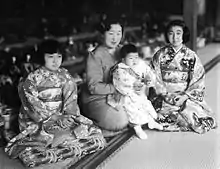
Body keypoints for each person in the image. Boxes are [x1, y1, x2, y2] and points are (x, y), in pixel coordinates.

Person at [5, 39, 105, 168]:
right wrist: (53, 118)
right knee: (40, 146)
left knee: (96, 136)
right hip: (39, 122)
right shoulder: (31, 79)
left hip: (62, 118)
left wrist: (68, 118)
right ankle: (60, 143)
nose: (55, 61)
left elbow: (71, 100)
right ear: (42, 57)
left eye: (59, 56)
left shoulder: (65, 75)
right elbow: (32, 107)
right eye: (50, 57)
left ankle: (59, 144)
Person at [150, 20, 217, 134]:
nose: (175, 37)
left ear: (183, 35)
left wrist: (184, 97)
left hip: (185, 97)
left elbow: (198, 80)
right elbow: (153, 77)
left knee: (191, 116)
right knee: (159, 116)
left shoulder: (191, 56)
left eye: (178, 33)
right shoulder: (160, 55)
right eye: (171, 33)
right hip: (164, 97)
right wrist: (166, 95)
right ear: (167, 35)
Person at [81, 18, 130, 135]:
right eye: (111, 33)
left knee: (141, 110)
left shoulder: (123, 51)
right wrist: (117, 88)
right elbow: (94, 87)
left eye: (119, 33)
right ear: (102, 35)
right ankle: (96, 126)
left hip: (121, 94)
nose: (115, 38)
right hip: (98, 97)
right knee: (120, 121)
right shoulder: (95, 56)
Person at [109, 44, 163, 139]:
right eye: (131, 58)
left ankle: (151, 122)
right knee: (133, 110)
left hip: (140, 92)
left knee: (146, 105)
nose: (134, 60)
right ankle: (137, 128)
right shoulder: (119, 70)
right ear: (123, 59)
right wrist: (134, 86)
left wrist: (148, 79)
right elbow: (121, 83)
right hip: (127, 95)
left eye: (136, 57)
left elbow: (148, 72)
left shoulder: (140, 64)